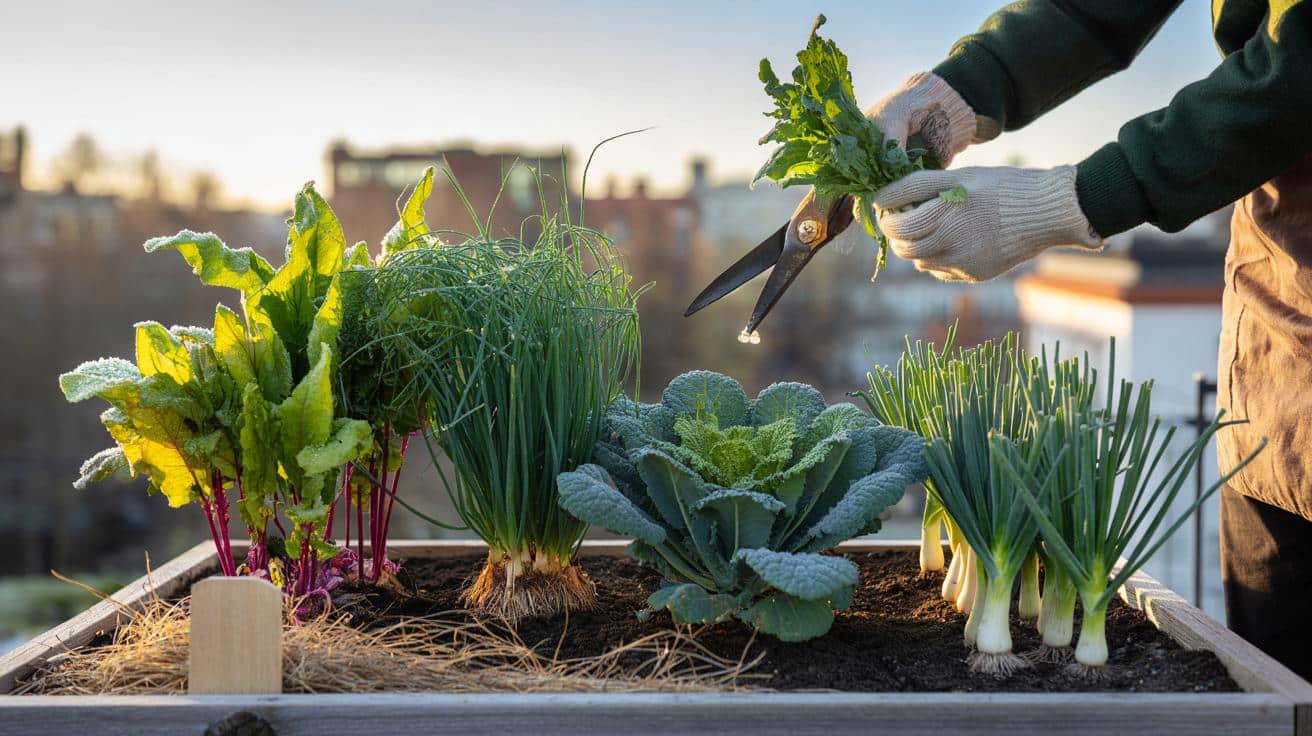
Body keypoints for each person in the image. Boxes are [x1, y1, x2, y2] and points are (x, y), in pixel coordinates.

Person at [864, 0, 1312, 679]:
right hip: (1277, 330)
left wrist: (1076, 200)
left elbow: (1299, 62)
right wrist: (959, 89)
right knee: (1276, 679)